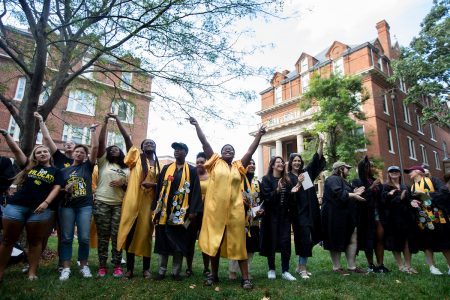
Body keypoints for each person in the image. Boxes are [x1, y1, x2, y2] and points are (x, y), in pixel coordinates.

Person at [189, 117, 266, 289]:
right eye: (225, 149)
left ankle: (245, 278)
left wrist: (259, 134)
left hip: (235, 211)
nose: (228, 150)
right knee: (215, 242)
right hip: (215, 210)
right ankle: (213, 275)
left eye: (231, 149)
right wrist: (197, 126)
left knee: (239, 242)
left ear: (234, 153)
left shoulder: (239, 166)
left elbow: (250, 151)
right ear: (221, 152)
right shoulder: (215, 161)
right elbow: (205, 143)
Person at [0, 129, 62, 281]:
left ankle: (32, 273)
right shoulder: (28, 166)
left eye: (44, 151)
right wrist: (6, 134)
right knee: (8, 240)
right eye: (38, 152)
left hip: (40, 210)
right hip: (17, 206)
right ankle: (0, 272)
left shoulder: (56, 171)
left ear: (49, 154)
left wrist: (46, 203)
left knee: (35, 241)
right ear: (34, 156)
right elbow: (15, 149)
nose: (42, 153)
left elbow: (57, 188)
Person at [116, 114, 159, 280]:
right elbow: (127, 138)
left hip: (149, 204)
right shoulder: (136, 158)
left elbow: (161, 185)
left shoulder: (159, 165)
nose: (150, 144)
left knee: (146, 234)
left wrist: (153, 185)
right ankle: (130, 269)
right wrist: (117, 119)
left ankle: (146, 269)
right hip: (133, 201)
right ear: (141, 147)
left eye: (153, 143)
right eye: (147, 143)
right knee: (131, 233)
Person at [152, 142, 202, 281]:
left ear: (186, 152)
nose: (176, 152)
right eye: (175, 150)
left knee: (179, 243)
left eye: (180, 150)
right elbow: (159, 190)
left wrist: (193, 211)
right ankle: (161, 271)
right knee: (163, 242)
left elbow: (196, 191)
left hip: (182, 214)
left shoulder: (191, 170)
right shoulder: (166, 168)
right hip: (165, 212)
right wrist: (154, 207)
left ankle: (176, 272)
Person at [35, 112, 74, 271]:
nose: (69, 144)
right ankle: (34, 262)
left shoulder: (80, 161)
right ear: (63, 147)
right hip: (51, 200)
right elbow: (47, 138)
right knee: (43, 233)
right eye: (66, 143)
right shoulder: (58, 157)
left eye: (72, 143)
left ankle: (61, 264)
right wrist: (41, 121)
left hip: (67, 203)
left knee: (63, 235)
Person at [59, 125, 99, 281]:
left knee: (83, 237)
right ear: (72, 153)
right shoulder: (63, 171)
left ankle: (84, 266)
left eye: (83, 152)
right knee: (67, 238)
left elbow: (95, 147)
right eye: (77, 151)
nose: (79, 153)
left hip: (84, 206)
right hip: (67, 207)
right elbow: (57, 189)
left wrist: (93, 131)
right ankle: (66, 268)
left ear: (85, 156)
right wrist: (65, 189)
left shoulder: (87, 167)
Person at [94, 114, 129, 278]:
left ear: (121, 152)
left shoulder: (127, 167)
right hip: (101, 202)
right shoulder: (103, 163)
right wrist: (105, 122)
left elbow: (130, 188)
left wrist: (123, 184)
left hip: (119, 204)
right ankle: (102, 266)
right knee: (103, 236)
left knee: (117, 236)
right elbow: (101, 143)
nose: (114, 149)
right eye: (111, 148)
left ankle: (117, 265)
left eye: (117, 148)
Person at [288, 133, 325, 279]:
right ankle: (302, 268)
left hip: (311, 211)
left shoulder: (306, 174)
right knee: (304, 238)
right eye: (294, 161)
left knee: (310, 238)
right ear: (290, 163)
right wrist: (298, 183)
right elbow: (290, 196)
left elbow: (316, 160)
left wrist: (321, 143)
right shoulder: (288, 178)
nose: (297, 163)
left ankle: (299, 266)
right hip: (298, 213)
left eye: (299, 160)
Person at [321, 161, 367, 275]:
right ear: (341, 169)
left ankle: (352, 267)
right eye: (347, 168)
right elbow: (338, 193)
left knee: (352, 237)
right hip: (334, 215)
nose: (349, 171)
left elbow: (346, 192)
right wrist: (354, 195)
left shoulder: (344, 181)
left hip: (347, 215)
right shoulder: (332, 179)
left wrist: (355, 191)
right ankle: (337, 267)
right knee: (335, 239)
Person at [405, 165, 450, 275]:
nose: (409, 173)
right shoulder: (412, 187)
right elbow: (412, 199)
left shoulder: (432, 180)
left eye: (410, 171)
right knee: (427, 243)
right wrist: (412, 202)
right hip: (423, 220)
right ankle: (432, 267)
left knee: (445, 243)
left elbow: (444, 192)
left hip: (438, 217)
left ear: (418, 171)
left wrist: (426, 194)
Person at [260, 156, 296, 281]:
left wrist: (293, 192)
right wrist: (277, 190)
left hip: (284, 216)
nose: (281, 164)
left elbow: (290, 201)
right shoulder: (266, 179)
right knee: (272, 241)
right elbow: (266, 198)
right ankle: (271, 269)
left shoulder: (288, 180)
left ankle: (285, 271)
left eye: (282, 162)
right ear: (272, 165)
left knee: (285, 242)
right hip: (271, 216)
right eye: (278, 162)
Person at [352, 156, 387, 273]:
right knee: (369, 239)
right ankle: (371, 265)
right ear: (364, 168)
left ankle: (381, 265)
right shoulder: (357, 181)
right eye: (369, 166)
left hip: (377, 213)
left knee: (380, 238)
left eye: (372, 166)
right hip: (366, 215)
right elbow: (360, 197)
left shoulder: (376, 180)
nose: (372, 168)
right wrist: (372, 187)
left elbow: (382, 197)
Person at [229, 159, 262, 280]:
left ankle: (246, 270)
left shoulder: (257, 182)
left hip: (253, 220)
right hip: (239, 218)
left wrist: (260, 211)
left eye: (254, 163)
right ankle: (232, 271)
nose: (252, 165)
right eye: (250, 163)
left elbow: (261, 200)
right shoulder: (239, 180)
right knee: (238, 244)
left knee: (251, 246)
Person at [381, 166, 419, 274]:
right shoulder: (385, 187)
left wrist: (412, 202)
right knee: (395, 241)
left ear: (400, 173)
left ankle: (408, 266)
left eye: (396, 171)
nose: (394, 173)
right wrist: (398, 198)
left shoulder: (405, 186)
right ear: (388, 174)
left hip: (406, 217)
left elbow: (410, 199)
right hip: (392, 218)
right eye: (391, 171)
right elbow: (383, 202)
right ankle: (401, 266)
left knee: (407, 241)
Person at [185, 152, 210, 276]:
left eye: (202, 162)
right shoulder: (191, 175)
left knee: (205, 240)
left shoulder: (211, 176)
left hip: (207, 214)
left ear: (206, 162)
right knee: (189, 240)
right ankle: (189, 268)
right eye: (198, 162)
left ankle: (206, 268)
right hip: (193, 214)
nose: (199, 164)